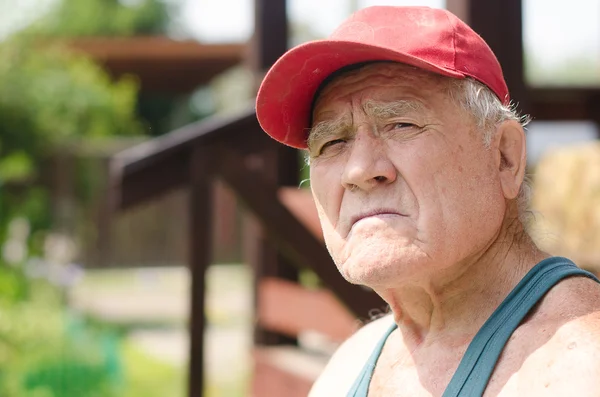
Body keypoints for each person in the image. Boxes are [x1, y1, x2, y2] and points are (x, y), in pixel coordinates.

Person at [256, 6, 600, 397]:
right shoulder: (354, 360)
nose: (358, 170)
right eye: (332, 142)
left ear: (505, 157)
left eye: (401, 124)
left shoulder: (575, 366)